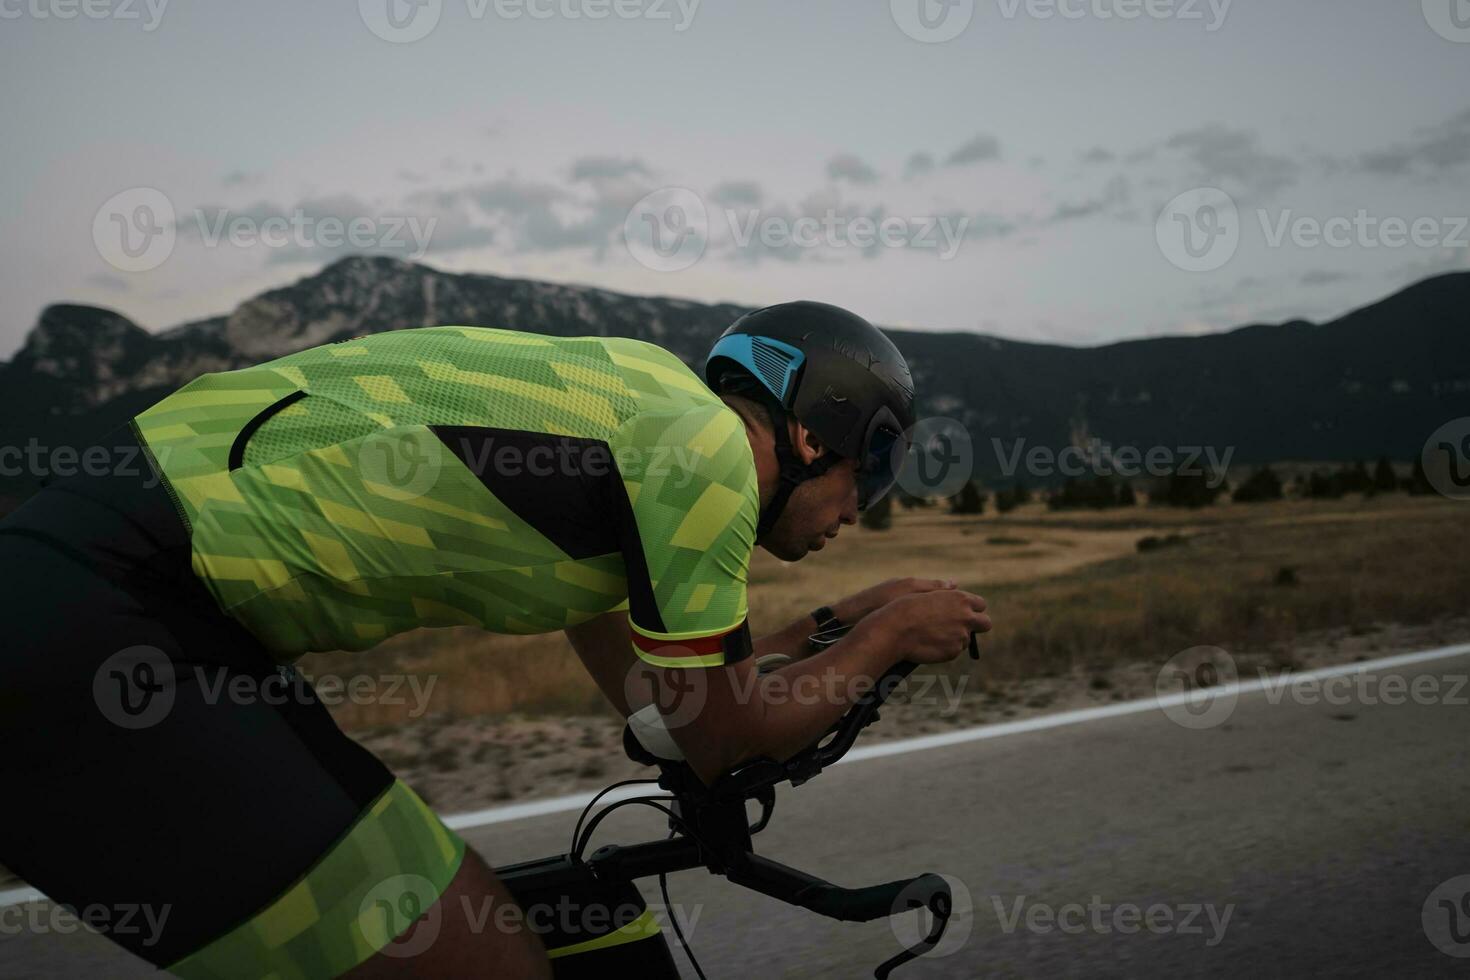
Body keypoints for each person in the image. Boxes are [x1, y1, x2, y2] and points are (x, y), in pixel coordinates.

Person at [0, 300, 991, 978]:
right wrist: (895, 629)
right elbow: (719, 737)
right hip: (114, 620)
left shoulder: (641, 426)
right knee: (479, 957)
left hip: (121, 598)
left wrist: (834, 625)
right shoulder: (708, 457)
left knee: (497, 921)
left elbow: (661, 709)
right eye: (875, 464)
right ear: (817, 431)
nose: (860, 508)